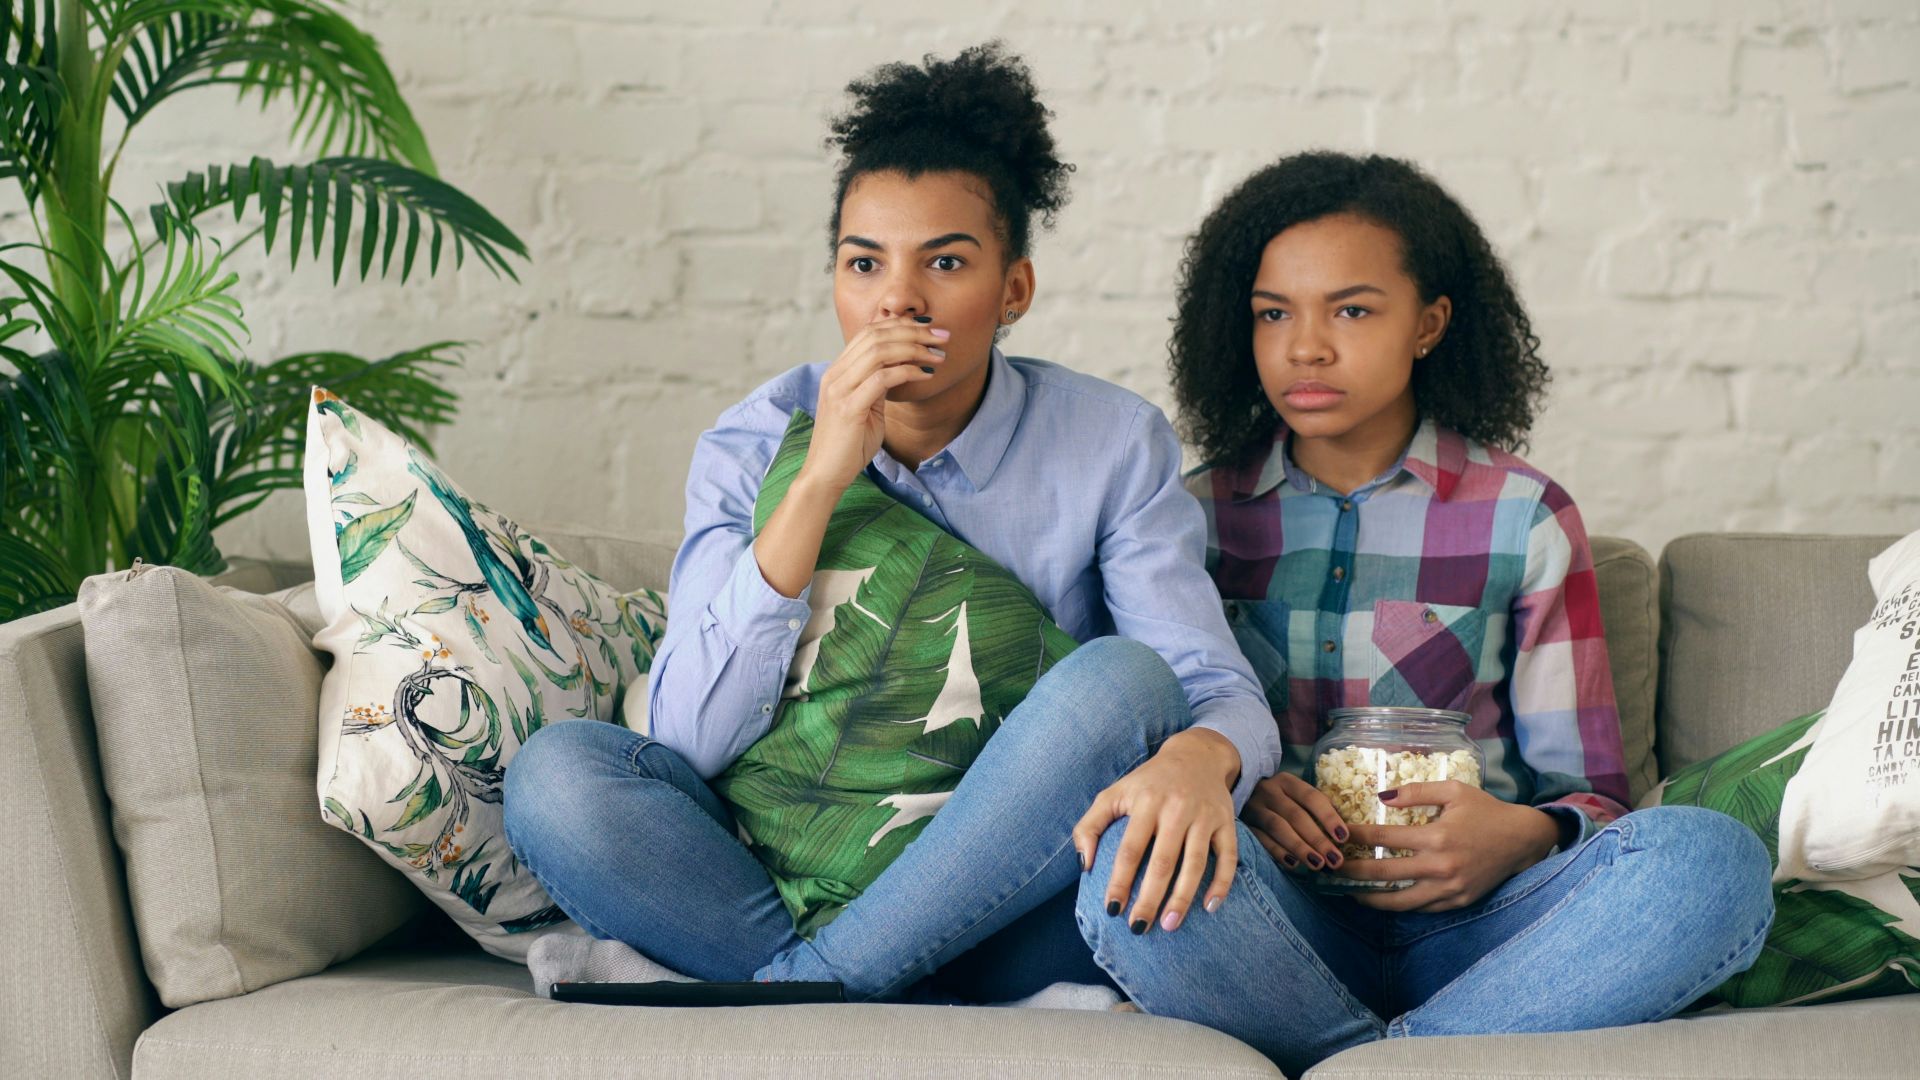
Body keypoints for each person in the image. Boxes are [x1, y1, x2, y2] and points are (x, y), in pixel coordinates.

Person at [502, 43, 1278, 1006]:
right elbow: (686, 737)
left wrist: (1206, 757)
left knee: (1123, 680)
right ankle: (855, 983)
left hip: (1005, 895)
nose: (896, 299)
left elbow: (1209, 690)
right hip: (770, 874)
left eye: (945, 263)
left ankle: (801, 994)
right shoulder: (755, 443)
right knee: (558, 778)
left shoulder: (1112, 444)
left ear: (1014, 291)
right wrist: (822, 475)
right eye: (863, 262)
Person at [1075, 151, 1775, 1074]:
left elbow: (1597, 794)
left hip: (1490, 928)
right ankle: (1432, 1060)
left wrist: (1517, 833)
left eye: (1352, 310)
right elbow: (1141, 751)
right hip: (1274, 931)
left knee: (1712, 860)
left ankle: (1374, 1062)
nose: (1306, 346)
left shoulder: (1522, 515)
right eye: (1273, 313)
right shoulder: (1185, 516)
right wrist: (1237, 789)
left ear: (1429, 324)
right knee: (1127, 860)